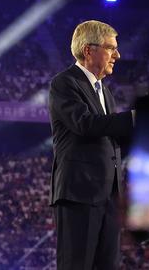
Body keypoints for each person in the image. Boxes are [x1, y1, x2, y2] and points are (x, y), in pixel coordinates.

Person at [49, 20, 134, 270]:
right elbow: (85, 124)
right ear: (89, 50)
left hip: (108, 197)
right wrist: (134, 118)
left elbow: (110, 140)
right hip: (80, 194)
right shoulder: (65, 83)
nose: (117, 55)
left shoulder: (104, 92)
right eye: (110, 48)